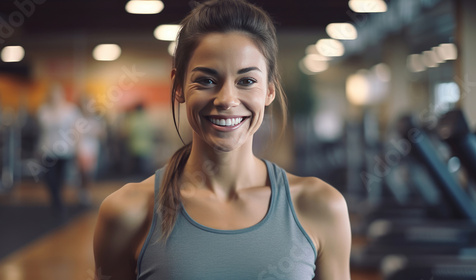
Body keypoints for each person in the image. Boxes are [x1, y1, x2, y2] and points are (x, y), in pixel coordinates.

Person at [93, 0, 351, 279]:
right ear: (178, 87)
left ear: (269, 91)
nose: (227, 99)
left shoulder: (320, 206)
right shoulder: (126, 213)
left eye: (247, 81)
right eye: (206, 80)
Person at [37, 83, 82, 217]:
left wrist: (77, 147)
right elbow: (42, 131)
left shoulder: (70, 110)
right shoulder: (43, 110)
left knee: (60, 178)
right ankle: (55, 200)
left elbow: (77, 129)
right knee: (49, 178)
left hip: (65, 150)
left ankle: (58, 203)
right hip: (47, 149)